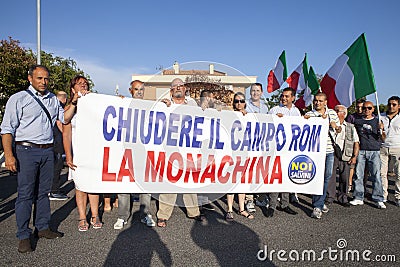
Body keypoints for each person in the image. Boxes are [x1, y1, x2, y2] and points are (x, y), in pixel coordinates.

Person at [0, 65, 84, 253]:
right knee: (25, 194)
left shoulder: (53, 99)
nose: (43, 82)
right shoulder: (18, 99)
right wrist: (9, 155)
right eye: (39, 78)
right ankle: (23, 235)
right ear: (30, 79)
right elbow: (7, 129)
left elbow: (64, 118)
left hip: (47, 151)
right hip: (26, 150)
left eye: (46, 79)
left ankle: (43, 227)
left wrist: (75, 102)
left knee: (43, 193)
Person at [156, 78, 204, 227]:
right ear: (171, 91)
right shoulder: (163, 105)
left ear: (185, 90)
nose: (178, 88)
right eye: (175, 86)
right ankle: (163, 215)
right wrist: (162, 106)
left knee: (189, 182)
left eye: (181, 86)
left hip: (188, 149)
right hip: (170, 150)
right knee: (170, 182)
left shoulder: (192, 105)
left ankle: (194, 212)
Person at [114, 80, 156, 229]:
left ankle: (146, 214)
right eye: (136, 89)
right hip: (125, 150)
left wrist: (164, 103)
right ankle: (122, 216)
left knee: (145, 183)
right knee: (124, 183)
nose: (139, 92)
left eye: (141, 89)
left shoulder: (150, 107)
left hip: (143, 151)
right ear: (130, 90)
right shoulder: (123, 104)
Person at [63, 75, 103, 232]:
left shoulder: (94, 105)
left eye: (85, 84)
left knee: (93, 185)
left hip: (93, 152)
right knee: (80, 186)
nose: (83, 86)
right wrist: (69, 156)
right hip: (78, 154)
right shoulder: (69, 109)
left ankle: (95, 215)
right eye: (80, 85)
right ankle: (82, 217)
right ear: (73, 89)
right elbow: (66, 134)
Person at [264, 87, 300, 217]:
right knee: (276, 176)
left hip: (290, 150)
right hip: (276, 149)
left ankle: (285, 204)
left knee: (286, 177)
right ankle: (272, 205)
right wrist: (275, 118)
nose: (284, 98)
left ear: (293, 98)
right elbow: (266, 125)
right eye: (282, 96)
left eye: (287, 96)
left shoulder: (297, 112)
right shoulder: (274, 110)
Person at [304, 92, 340, 219]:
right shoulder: (310, 114)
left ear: (325, 102)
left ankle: (320, 200)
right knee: (316, 178)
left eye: (320, 101)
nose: (317, 103)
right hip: (314, 152)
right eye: (316, 100)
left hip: (329, 151)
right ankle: (318, 205)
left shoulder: (332, 114)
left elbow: (339, 130)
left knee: (326, 177)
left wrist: (335, 126)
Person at [350, 101, 386, 209]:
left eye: (369, 108)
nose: (367, 110)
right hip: (361, 151)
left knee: (376, 176)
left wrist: (381, 129)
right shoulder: (357, 121)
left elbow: (383, 138)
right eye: (365, 108)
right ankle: (358, 197)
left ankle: (378, 198)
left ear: (373, 109)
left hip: (374, 151)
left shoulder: (377, 121)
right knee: (359, 175)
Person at [225, 92, 254, 221]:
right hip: (232, 153)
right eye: (236, 101)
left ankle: (242, 209)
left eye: (241, 101)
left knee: (242, 181)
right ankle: (230, 209)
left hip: (245, 154)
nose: (239, 103)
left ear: (245, 103)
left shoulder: (250, 116)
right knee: (232, 182)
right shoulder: (230, 115)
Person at [326, 105, 359, 207]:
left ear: (344, 114)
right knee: (330, 177)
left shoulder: (350, 127)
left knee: (344, 177)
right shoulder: (328, 125)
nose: (335, 113)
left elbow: (356, 142)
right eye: (334, 110)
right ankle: (329, 197)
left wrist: (354, 156)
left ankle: (343, 197)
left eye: (337, 111)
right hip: (332, 153)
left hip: (345, 155)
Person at [244, 83, 269, 213]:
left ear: (262, 92)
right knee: (249, 172)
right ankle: (249, 199)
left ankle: (260, 197)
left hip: (262, 145)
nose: (255, 93)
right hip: (249, 145)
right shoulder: (245, 105)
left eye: (257, 90)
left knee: (261, 172)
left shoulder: (266, 108)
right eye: (253, 90)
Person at [49, 91, 69, 201]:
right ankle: (54, 191)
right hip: (58, 141)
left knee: (55, 166)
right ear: (65, 99)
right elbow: (60, 123)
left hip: (52, 140)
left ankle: (53, 190)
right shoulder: (60, 107)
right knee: (57, 166)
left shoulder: (52, 104)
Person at [380, 96, 400, 206]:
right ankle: (383, 195)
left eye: (394, 104)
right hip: (383, 147)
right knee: (382, 173)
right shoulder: (381, 116)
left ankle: (398, 196)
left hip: (397, 147)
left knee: (399, 174)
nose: (391, 106)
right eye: (389, 104)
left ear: (399, 106)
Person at [346, 99, 367, 192]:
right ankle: (349, 184)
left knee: (364, 169)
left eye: (361, 107)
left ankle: (363, 186)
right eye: (357, 107)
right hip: (353, 143)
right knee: (352, 166)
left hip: (365, 145)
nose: (359, 109)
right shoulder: (351, 117)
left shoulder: (368, 117)